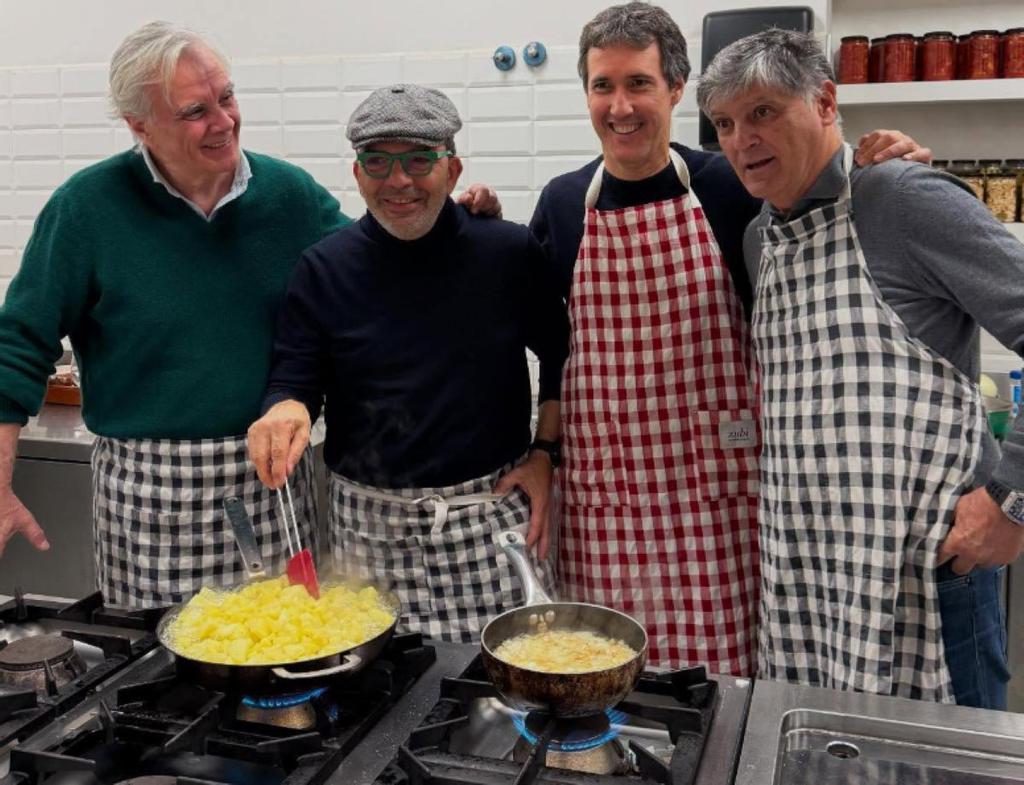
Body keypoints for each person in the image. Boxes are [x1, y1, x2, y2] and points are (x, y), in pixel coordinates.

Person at [0, 22, 498, 607]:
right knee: (154, 656)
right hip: (150, 496)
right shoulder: (87, 208)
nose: (224, 121)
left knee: (289, 644)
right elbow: (18, 343)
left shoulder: (287, 195)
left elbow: (376, 265)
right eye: (195, 111)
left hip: (272, 479)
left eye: (227, 97)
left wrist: (453, 221)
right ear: (140, 125)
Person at [529, 1, 928, 672]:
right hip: (604, 501)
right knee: (602, 671)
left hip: (717, 503)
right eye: (603, 86)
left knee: (721, 691)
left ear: (675, 89)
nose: (620, 106)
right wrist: (545, 448)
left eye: (638, 83)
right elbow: (555, 349)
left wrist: (883, 159)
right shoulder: (563, 204)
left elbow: (827, 197)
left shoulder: (732, 186)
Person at [698, 29, 1024, 707]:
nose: (741, 140)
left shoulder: (900, 198)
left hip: (925, 575)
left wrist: (1009, 498)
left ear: (825, 102)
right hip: (807, 584)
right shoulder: (761, 239)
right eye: (725, 123)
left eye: (763, 111)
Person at [246, 84, 569, 643]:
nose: (398, 180)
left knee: (513, 676)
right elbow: (295, 377)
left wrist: (545, 453)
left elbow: (562, 358)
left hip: (488, 519)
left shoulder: (507, 253)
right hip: (367, 531)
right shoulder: (323, 269)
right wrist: (285, 408)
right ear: (357, 172)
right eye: (378, 161)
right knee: (376, 685)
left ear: (452, 168)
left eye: (419, 159)